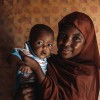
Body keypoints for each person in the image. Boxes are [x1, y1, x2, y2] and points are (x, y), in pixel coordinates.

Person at [9, 12, 99, 100]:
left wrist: (36, 67)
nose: (66, 43)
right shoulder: (50, 61)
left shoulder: (88, 73)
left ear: (86, 43)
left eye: (76, 38)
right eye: (63, 35)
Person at [10, 24, 54, 99]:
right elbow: (10, 58)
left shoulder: (49, 59)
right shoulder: (24, 53)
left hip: (39, 90)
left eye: (49, 45)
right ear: (30, 43)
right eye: (40, 43)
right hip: (24, 87)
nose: (45, 47)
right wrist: (20, 63)